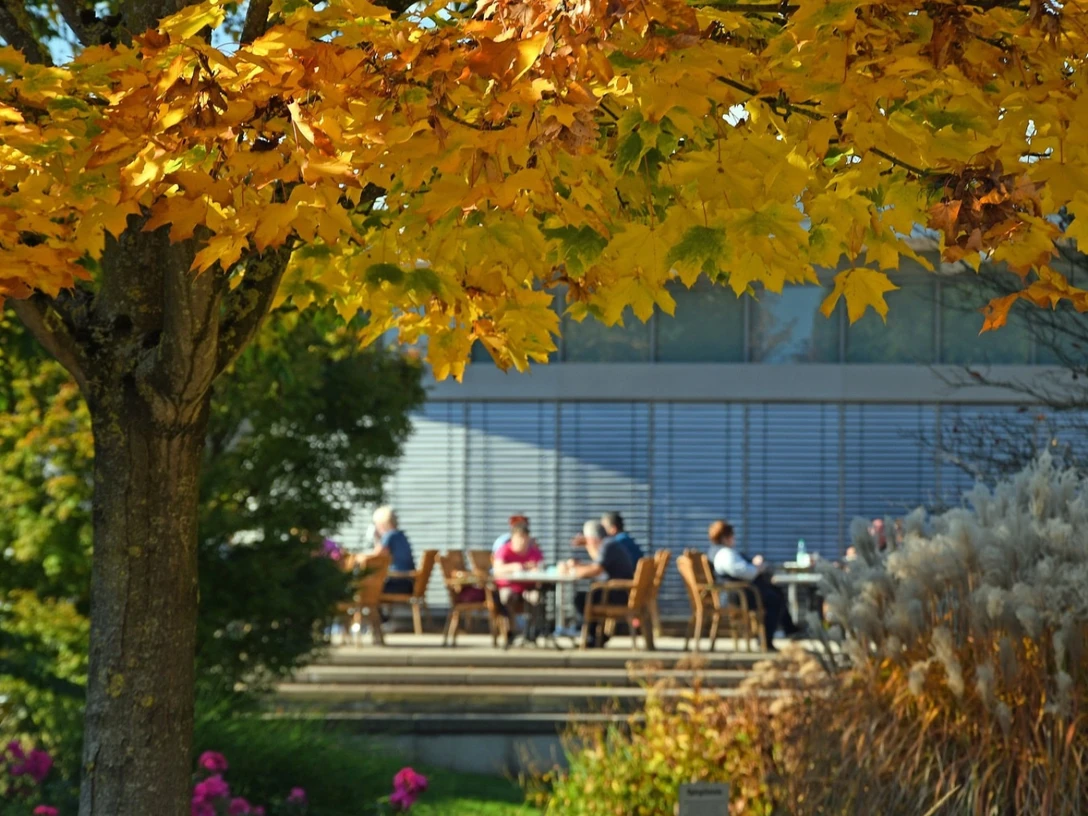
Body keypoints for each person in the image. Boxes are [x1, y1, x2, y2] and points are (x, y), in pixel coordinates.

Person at [707, 519, 800, 651]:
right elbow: (742, 571)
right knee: (774, 599)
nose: (734, 538)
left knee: (776, 593)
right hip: (738, 596)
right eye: (732, 535)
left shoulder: (717, 551)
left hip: (737, 593)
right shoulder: (724, 554)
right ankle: (766, 640)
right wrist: (757, 566)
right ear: (725, 537)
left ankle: (788, 629)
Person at [560, 520, 635, 648]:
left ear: (592, 538)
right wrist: (587, 546)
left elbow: (596, 569)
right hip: (622, 592)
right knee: (588, 595)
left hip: (618, 594)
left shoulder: (608, 545)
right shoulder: (610, 543)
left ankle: (590, 635)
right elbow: (597, 563)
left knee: (580, 598)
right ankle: (594, 636)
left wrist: (573, 570)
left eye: (587, 539)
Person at [494, 522, 544, 643]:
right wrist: (513, 566)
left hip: (528, 587)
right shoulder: (504, 550)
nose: (522, 541)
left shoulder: (533, 551)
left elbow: (541, 567)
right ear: (513, 538)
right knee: (506, 597)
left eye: (524, 537)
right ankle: (510, 630)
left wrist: (536, 569)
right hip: (509, 586)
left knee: (537, 598)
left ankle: (531, 631)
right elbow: (497, 569)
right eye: (519, 537)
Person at [370, 505, 415, 595]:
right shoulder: (401, 535)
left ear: (381, 523)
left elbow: (374, 557)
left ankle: (372, 609)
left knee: (367, 588)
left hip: (398, 583)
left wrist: (376, 539)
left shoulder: (389, 536)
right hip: (409, 583)